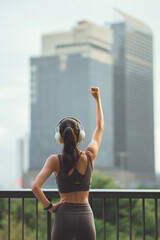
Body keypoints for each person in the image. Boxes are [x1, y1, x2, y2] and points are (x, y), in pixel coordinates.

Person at [31, 87, 104, 240]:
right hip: (85, 216)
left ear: (60, 138)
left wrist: (50, 207)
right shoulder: (90, 155)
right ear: (81, 136)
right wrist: (97, 100)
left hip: (63, 216)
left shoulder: (54, 160)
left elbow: (35, 187)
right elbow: (99, 128)